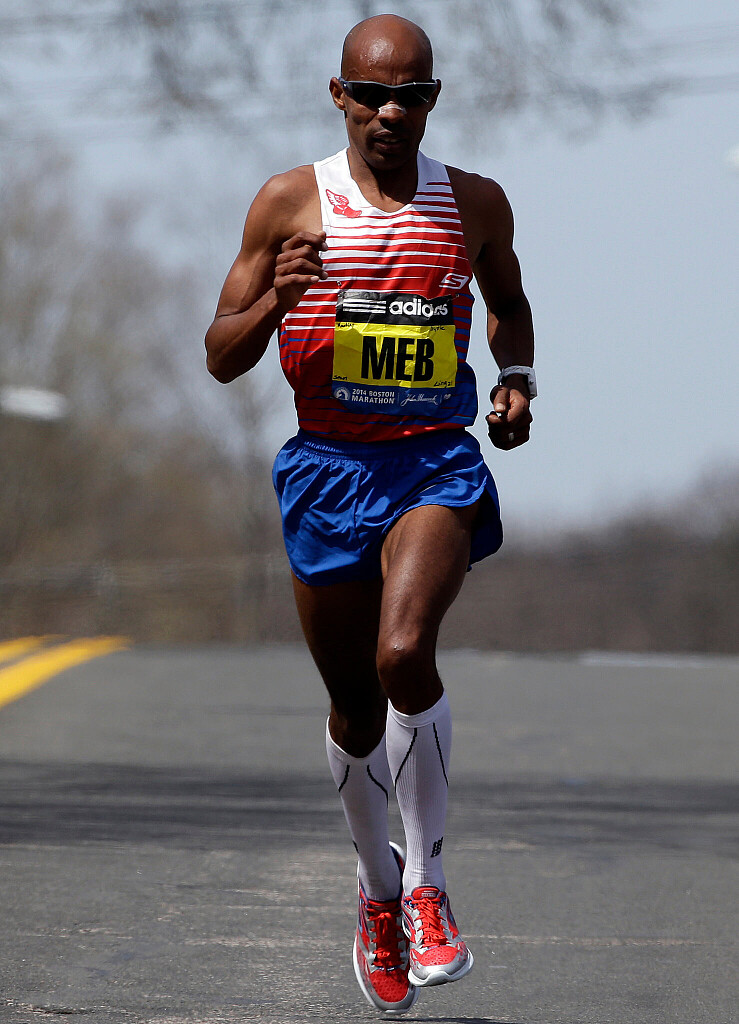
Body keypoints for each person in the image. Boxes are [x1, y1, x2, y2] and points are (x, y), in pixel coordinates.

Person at [205, 13, 535, 1014]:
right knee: (353, 706)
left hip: (431, 461)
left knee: (402, 655)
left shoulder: (472, 201)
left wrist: (515, 379)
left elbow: (509, 303)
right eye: (372, 95)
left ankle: (428, 885)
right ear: (339, 95)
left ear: (433, 101)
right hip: (325, 469)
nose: (390, 113)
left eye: (411, 97)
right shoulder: (288, 201)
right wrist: (278, 298)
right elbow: (219, 353)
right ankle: (377, 889)